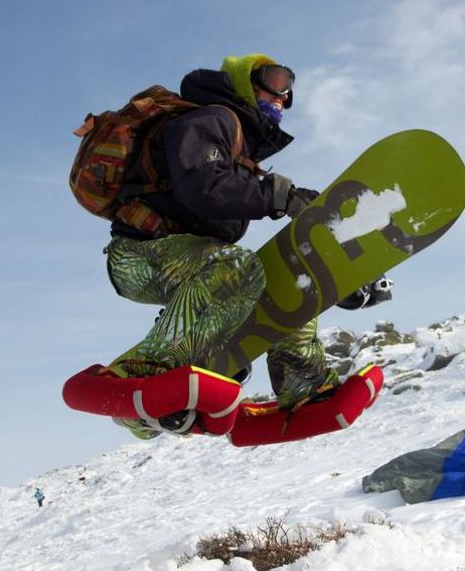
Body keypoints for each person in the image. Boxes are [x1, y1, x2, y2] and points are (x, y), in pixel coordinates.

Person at [103, 53, 391, 439]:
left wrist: (338, 273)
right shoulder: (210, 119)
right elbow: (203, 185)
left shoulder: (240, 151)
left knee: (283, 279)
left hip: (186, 257)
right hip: (139, 255)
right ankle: (152, 371)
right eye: (275, 80)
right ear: (243, 82)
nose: (283, 96)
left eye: (289, 90)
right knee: (237, 267)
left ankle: (303, 385)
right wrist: (279, 196)